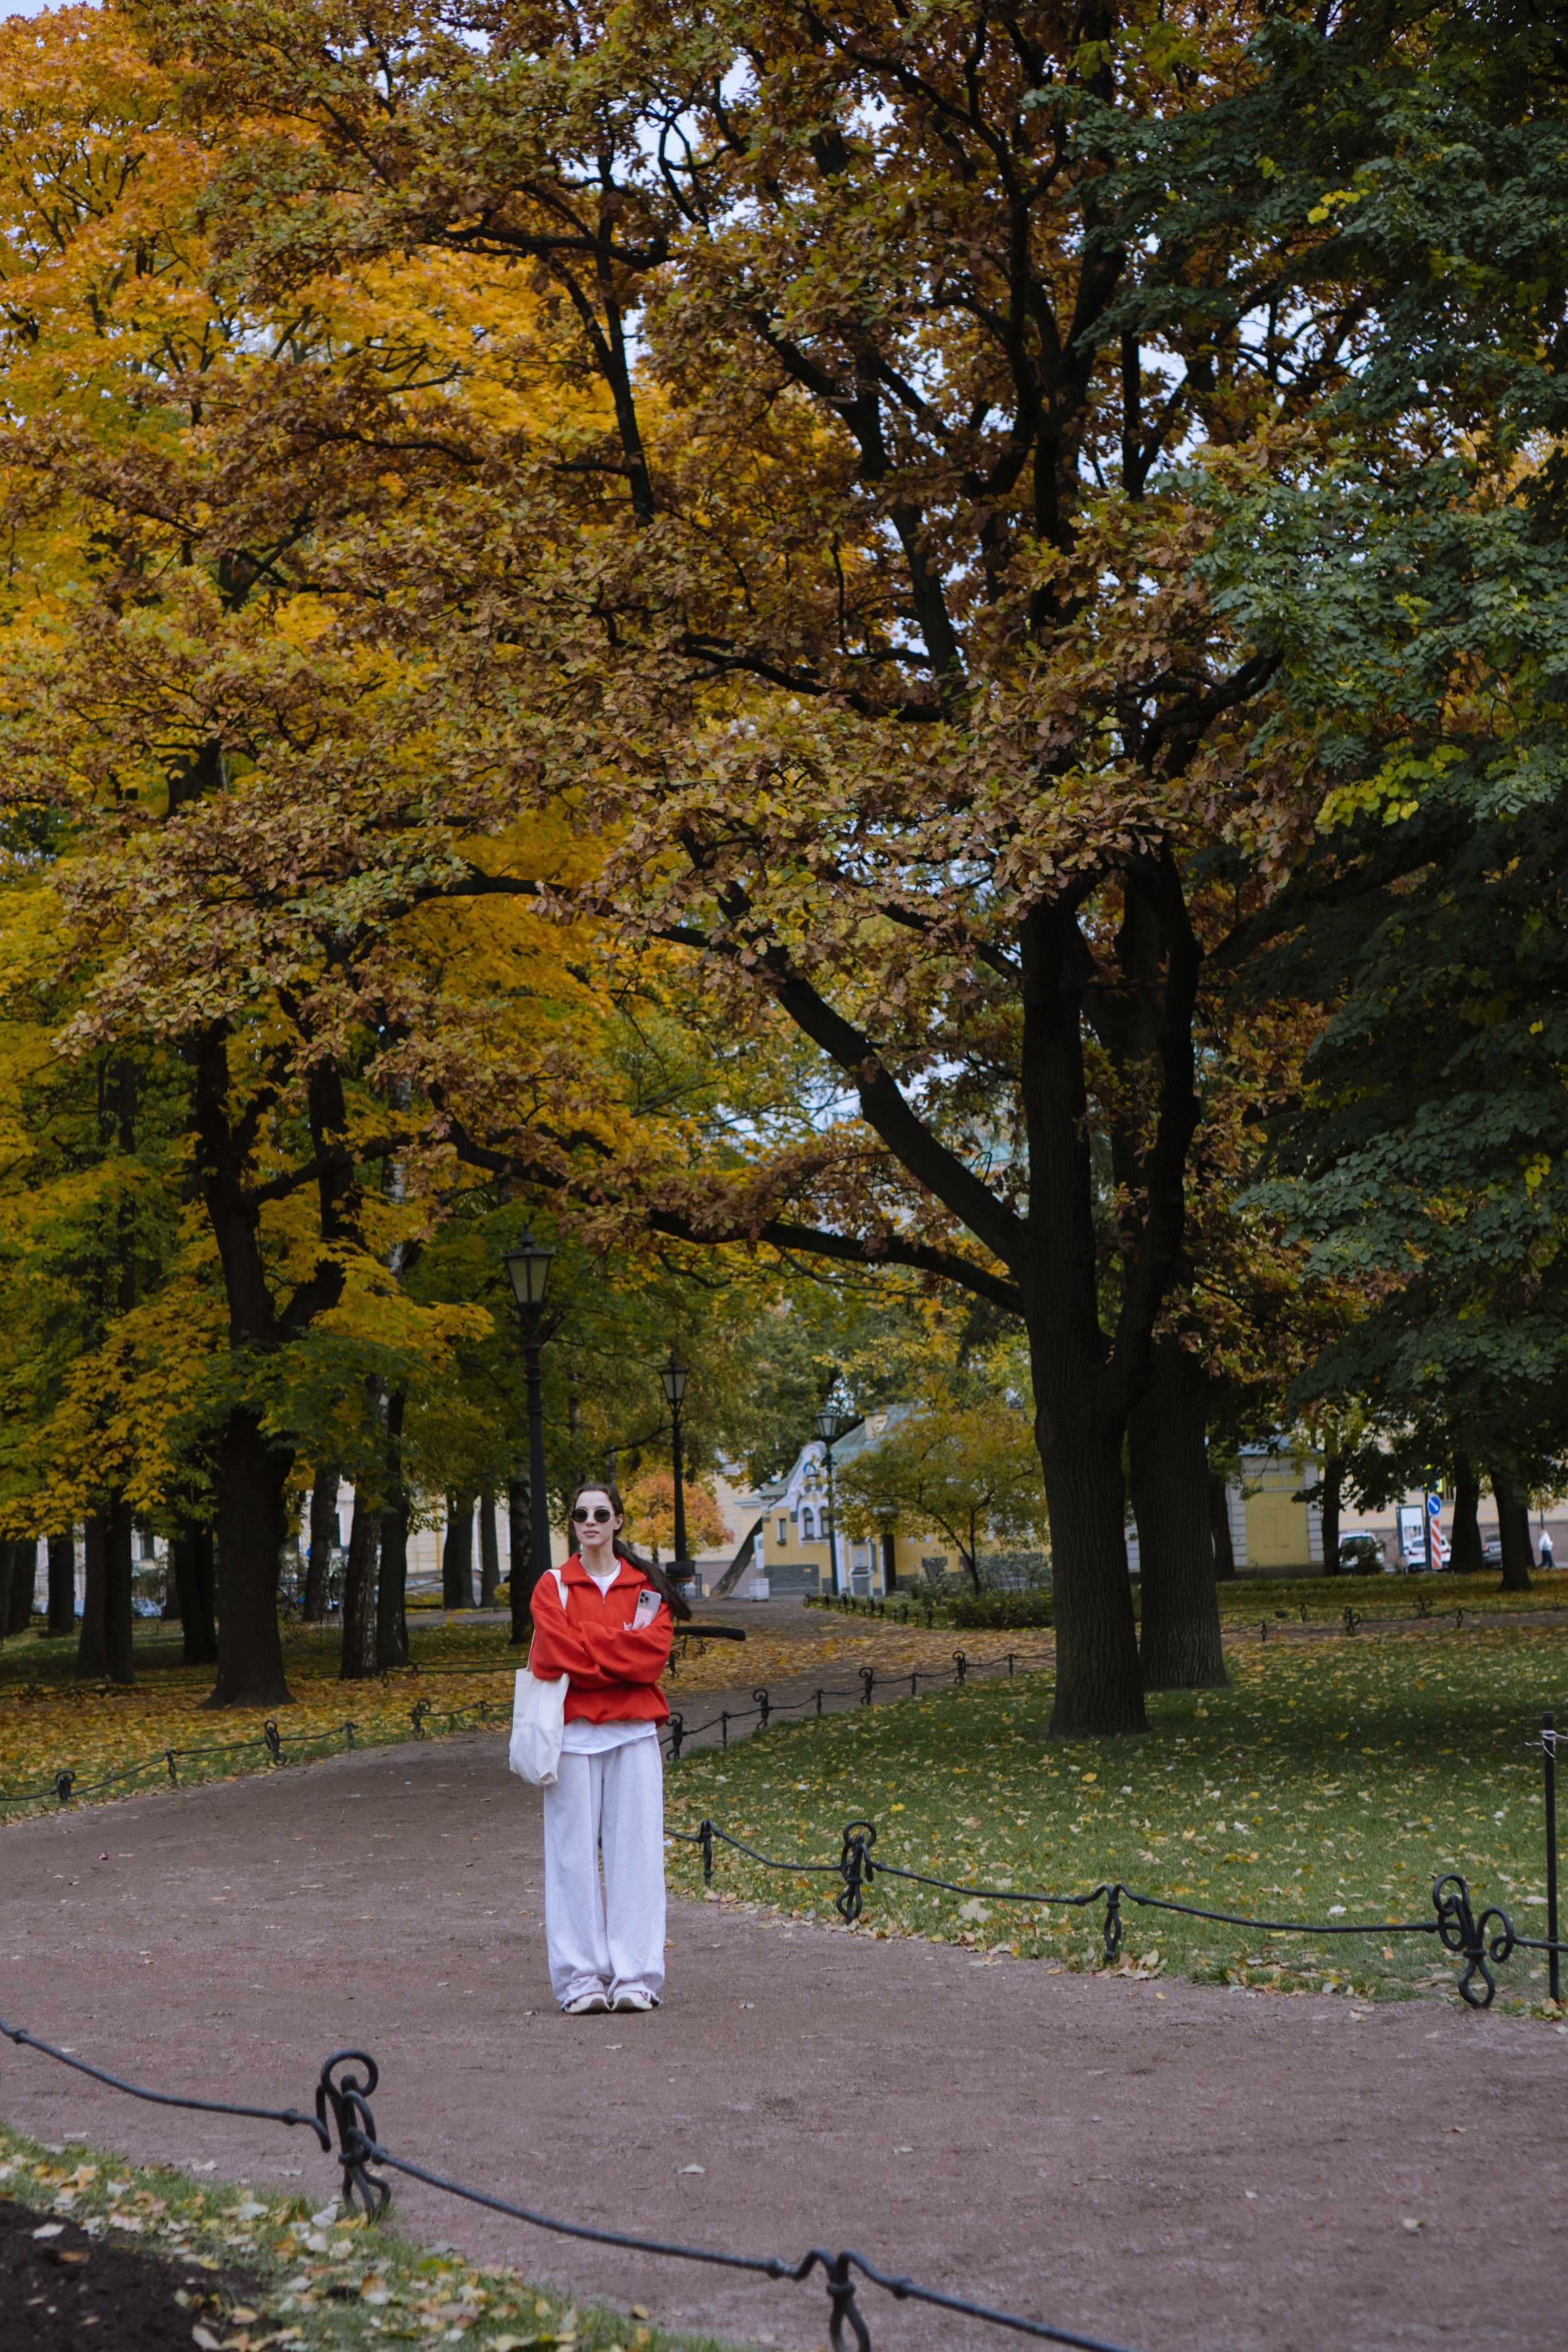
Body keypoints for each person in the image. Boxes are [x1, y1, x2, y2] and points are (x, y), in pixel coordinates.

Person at [527, 1482, 691, 2016]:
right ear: (571, 1522)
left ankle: (634, 1977)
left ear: (618, 1520)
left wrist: (589, 1651)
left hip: (635, 1736)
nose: (590, 1521)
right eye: (580, 1513)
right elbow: (552, 1656)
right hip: (570, 1738)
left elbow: (650, 1662)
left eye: (601, 1513)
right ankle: (580, 1979)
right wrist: (618, 1650)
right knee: (571, 1859)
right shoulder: (552, 1586)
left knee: (638, 1859)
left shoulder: (648, 1589)